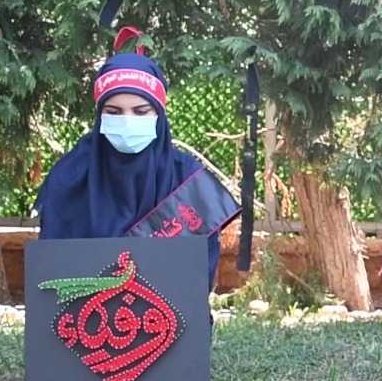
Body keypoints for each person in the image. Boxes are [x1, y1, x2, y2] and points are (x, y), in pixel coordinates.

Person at [34, 38, 239, 289]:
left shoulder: (187, 180)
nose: (127, 120)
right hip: (80, 310)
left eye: (141, 111)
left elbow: (198, 276)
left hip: (166, 311)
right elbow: (52, 272)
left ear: (159, 114)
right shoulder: (70, 178)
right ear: (99, 115)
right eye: (114, 112)